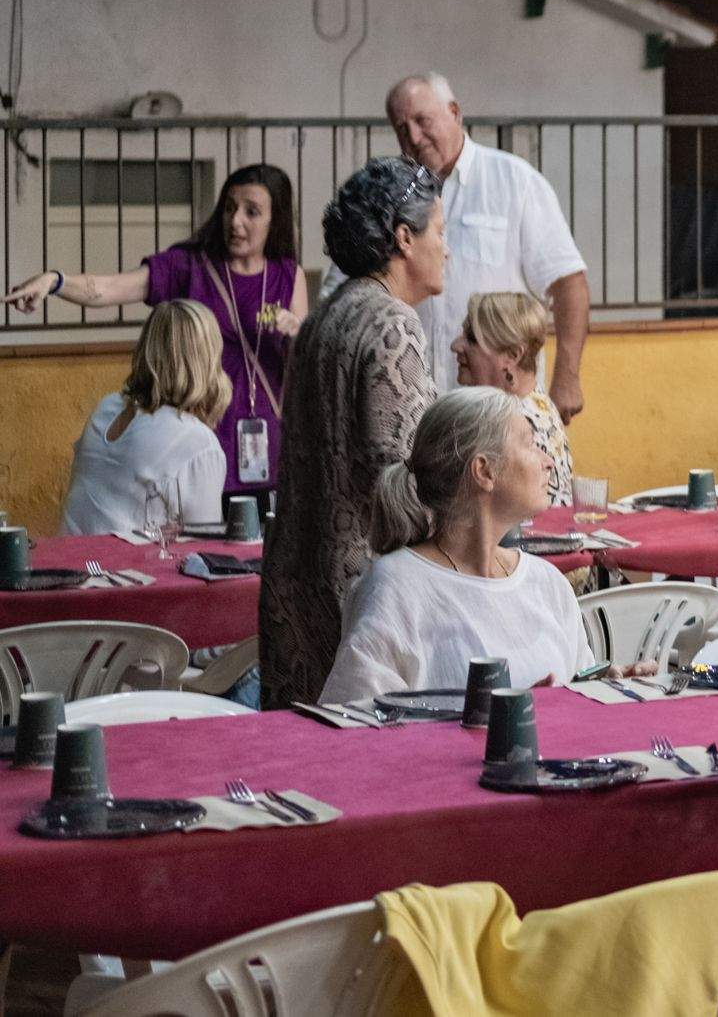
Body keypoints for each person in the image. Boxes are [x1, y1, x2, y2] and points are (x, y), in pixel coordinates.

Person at [321, 387, 653, 703]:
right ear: (484, 471)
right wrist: (497, 716)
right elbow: (355, 721)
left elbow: (574, 689)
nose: (548, 461)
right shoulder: (396, 588)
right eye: (530, 444)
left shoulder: (547, 583)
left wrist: (601, 687)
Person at [8, 164, 308, 502]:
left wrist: (299, 334)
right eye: (229, 208)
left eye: (251, 212)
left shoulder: (289, 275)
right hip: (199, 445)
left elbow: (303, 367)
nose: (235, 220)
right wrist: (54, 281)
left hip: (269, 451)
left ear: (275, 220)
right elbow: (108, 288)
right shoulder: (188, 265)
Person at [262, 158, 443, 710]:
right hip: (359, 594)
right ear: (404, 238)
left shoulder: (325, 316)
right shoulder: (393, 323)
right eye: (440, 233)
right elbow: (406, 480)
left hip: (294, 580)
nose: (447, 249)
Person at [328, 73, 588, 417]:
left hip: (500, 407)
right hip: (414, 406)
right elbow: (339, 291)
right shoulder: (387, 197)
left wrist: (567, 377)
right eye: (402, 128)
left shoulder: (515, 182)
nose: (414, 137)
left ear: (454, 112)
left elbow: (568, 283)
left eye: (422, 120)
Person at [59, 300, 230, 536]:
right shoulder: (199, 443)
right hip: (123, 560)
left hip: (69, 556)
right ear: (207, 361)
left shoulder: (107, 407)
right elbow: (202, 545)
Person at [453, 292, 573, 508]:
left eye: (471, 339)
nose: (456, 345)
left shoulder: (515, 423)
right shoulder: (535, 403)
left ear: (512, 355)